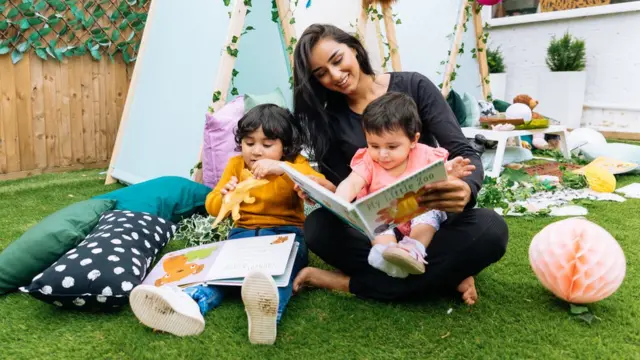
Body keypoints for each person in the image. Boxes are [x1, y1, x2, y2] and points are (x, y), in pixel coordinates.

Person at [290, 24, 509, 305]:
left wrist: (465, 188)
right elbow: (349, 192)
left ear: (354, 49)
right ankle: (446, 274)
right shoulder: (329, 120)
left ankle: (348, 282)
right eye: (321, 73)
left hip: (431, 219)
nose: (335, 76)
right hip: (381, 230)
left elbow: (463, 152)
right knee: (318, 227)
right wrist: (323, 189)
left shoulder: (414, 87)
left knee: (491, 227)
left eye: (337, 60)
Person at [129, 104, 324, 345]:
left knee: (277, 276)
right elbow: (212, 206)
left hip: (287, 235)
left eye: (267, 144)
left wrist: (283, 168)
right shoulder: (235, 165)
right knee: (219, 277)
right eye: (249, 142)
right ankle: (189, 304)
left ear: (285, 146)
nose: (256, 151)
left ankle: (267, 313)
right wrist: (224, 195)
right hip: (242, 234)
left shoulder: (295, 163)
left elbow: (318, 184)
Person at [334, 91, 475, 278]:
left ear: (413, 140)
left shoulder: (426, 155)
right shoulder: (368, 160)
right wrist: (338, 201)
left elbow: (441, 178)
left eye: (392, 147)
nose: (382, 154)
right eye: (374, 146)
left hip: (420, 216)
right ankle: (387, 253)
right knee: (376, 223)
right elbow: (351, 183)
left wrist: (452, 173)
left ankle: (413, 250)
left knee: (430, 213)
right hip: (387, 217)